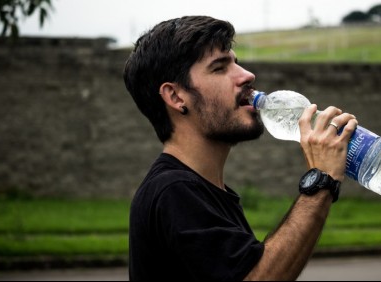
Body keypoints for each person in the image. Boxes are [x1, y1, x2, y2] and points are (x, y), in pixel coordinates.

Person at [123, 15, 357, 281]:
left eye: (236, 62)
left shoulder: (206, 191)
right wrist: (321, 180)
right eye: (220, 67)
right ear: (176, 96)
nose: (247, 75)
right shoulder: (174, 191)